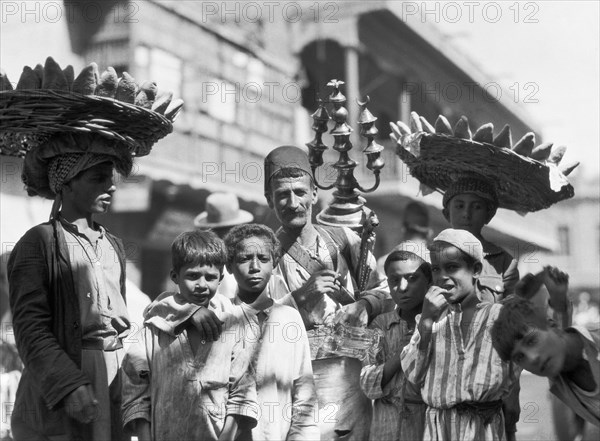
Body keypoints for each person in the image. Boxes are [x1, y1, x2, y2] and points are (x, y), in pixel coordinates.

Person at [4, 57, 182, 441]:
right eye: (99, 177)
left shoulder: (113, 245)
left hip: (114, 375)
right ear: (66, 181)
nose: (111, 186)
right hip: (67, 381)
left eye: (112, 176)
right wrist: (67, 384)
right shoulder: (39, 243)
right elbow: (30, 327)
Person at [262, 145, 392, 439]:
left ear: (313, 194)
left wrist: (364, 306)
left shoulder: (342, 239)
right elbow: (255, 322)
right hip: (294, 380)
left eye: (299, 191)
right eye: (282, 194)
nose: (292, 202)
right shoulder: (264, 255)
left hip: (349, 377)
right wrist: (303, 296)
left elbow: (385, 290)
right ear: (269, 200)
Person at [121, 230, 257, 441]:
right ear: (175, 276)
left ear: (221, 278)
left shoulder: (233, 325)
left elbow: (242, 391)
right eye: (193, 276)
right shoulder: (153, 330)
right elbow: (135, 393)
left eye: (210, 277)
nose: (202, 285)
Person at [401, 229, 520, 441]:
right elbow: (413, 376)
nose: (442, 276)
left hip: (485, 427)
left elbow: (514, 371)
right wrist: (427, 322)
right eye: (436, 269)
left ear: (476, 269)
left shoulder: (499, 317)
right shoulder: (430, 320)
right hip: (439, 429)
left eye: (452, 267)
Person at [224, 223, 319, 440]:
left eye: (263, 259)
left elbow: (304, 394)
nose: (255, 266)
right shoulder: (222, 316)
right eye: (244, 258)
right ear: (229, 266)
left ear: (275, 263)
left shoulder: (289, 319)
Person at [491, 292, 599, 427]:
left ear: (551, 324)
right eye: (520, 357)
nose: (533, 357)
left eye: (531, 341)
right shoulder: (559, 385)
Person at [360, 244, 429, 441]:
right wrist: (402, 353)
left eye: (412, 278)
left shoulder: (439, 324)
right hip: (386, 424)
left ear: (429, 282)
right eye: (394, 280)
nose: (403, 288)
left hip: (426, 422)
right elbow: (367, 383)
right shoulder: (381, 325)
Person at [442, 175, 519, 299]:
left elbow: (512, 312)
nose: (466, 214)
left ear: (488, 216)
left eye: (477, 207)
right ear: (446, 214)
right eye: (460, 206)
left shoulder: (504, 263)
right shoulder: (431, 257)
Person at [194, 192, 254, 299]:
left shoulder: (251, 259)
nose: (227, 237)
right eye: (220, 231)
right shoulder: (202, 263)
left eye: (232, 230)